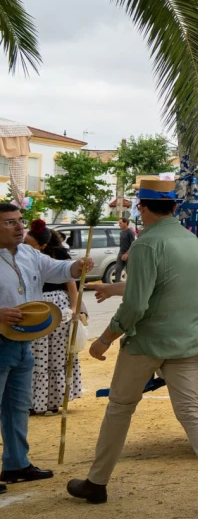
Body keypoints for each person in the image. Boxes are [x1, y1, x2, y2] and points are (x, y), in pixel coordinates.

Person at [66, 178, 198, 512]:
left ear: (142, 208)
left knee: (120, 407)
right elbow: (163, 285)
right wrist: (116, 289)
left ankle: (97, 483)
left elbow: (137, 304)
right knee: (190, 409)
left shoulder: (146, 244)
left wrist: (105, 338)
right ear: (173, 206)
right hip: (189, 339)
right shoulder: (189, 239)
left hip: (148, 342)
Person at [0, 203, 88, 488]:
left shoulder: (29, 253)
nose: (19, 227)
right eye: (10, 222)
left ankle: (16, 464)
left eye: (19, 220)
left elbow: (59, 270)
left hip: (24, 341)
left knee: (18, 406)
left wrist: (76, 266)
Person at [28, 228, 83, 415]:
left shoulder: (58, 254)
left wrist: (74, 308)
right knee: (37, 355)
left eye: (30, 243)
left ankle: (53, 400)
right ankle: (34, 402)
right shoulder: (23, 255)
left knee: (56, 355)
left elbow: (71, 282)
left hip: (57, 306)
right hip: (35, 305)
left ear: (42, 244)